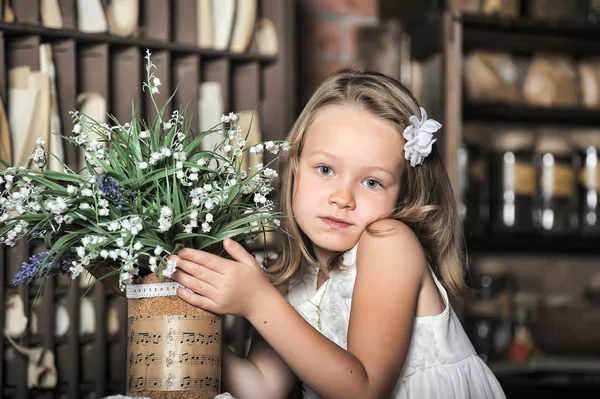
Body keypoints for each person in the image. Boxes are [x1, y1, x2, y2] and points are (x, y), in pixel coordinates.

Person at [170, 69, 506, 399]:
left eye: (371, 182)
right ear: (295, 165)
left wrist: (257, 302)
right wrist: (190, 316)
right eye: (326, 169)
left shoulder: (389, 243)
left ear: (402, 194)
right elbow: (261, 388)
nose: (342, 199)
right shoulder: (296, 276)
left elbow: (365, 390)